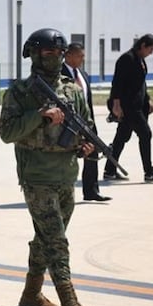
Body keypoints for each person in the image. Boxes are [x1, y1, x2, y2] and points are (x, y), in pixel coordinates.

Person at [0, 28, 95, 306]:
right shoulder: (20, 92)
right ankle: (70, 302)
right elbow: (7, 133)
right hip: (36, 176)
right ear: (34, 54)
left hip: (66, 175)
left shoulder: (73, 91)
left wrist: (85, 146)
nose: (51, 58)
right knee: (56, 240)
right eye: (46, 53)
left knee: (46, 237)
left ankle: (31, 293)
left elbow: (86, 125)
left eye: (56, 53)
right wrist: (40, 114)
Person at [104, 34, 153, 182]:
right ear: (143, 45)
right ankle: (149, 171)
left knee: (121, 138)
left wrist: (148, 100)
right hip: (129, 107)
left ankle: (109, 170)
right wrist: (116, 105)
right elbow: (117, 84)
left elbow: (141, 83)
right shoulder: (127, 59)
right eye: (150, 49)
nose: (151, 53)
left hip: (139, 105)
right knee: (146, 134)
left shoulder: (140, 60)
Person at [61, 43, 109, 202]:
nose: (83, 59)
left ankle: (91, 191)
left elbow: (87, 102)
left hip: (87, 122)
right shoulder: (58, 73)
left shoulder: (83, 75)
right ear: (68, 56)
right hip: (68, 124)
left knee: (93, 152)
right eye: (79, 55)